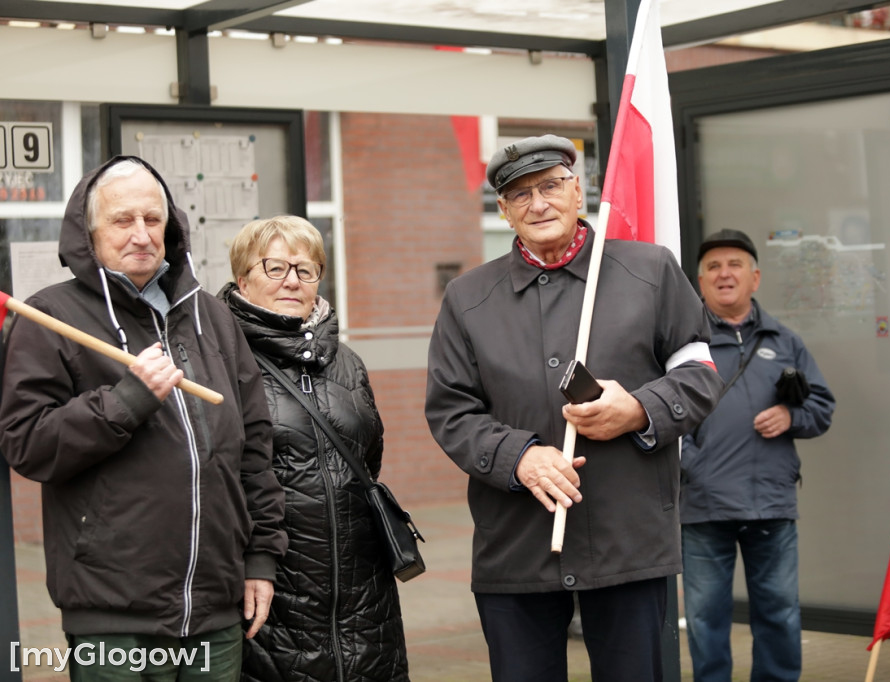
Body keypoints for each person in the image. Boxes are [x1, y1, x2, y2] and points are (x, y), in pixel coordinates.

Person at [425, 134, 723, 682]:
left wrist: (638, 408)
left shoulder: (651, 271)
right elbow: (451, 411)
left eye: (550, 186)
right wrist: (519, 458)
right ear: (504, 212)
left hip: (628, 539)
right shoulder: (467, 299)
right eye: (519, 195)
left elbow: (700, 376)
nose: (538, 204)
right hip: (517, 543)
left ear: (578, 191)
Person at [0, 156, 287, 678]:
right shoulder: (50, 319)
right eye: (122, 220)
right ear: (89, 233)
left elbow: (253, 449)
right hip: (113, 610)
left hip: (216, 604)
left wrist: (260, 559)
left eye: (152, 220)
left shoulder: (212, 317)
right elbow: (27, 444)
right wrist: (126, 402)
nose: (141, 234)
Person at [220, 216, 410, 682]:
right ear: (243, 278)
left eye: (305, 270)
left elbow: (369, 455)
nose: (292, 281)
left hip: (362, 582)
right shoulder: (222, 358)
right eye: (275, 267)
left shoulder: (347, 362)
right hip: (273, 580)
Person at [679, 228, 835, 682]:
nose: (724, 274)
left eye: (735, 265)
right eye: (713, 267)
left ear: (755, 278)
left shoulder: (786, 342)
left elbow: (823, 407)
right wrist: (691, 464)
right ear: (700, 281)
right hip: (704, 505)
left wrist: (791, 416)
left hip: (771, 502)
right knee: (706, 618)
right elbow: (660, 412)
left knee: (780, 613)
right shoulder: (684, 343)